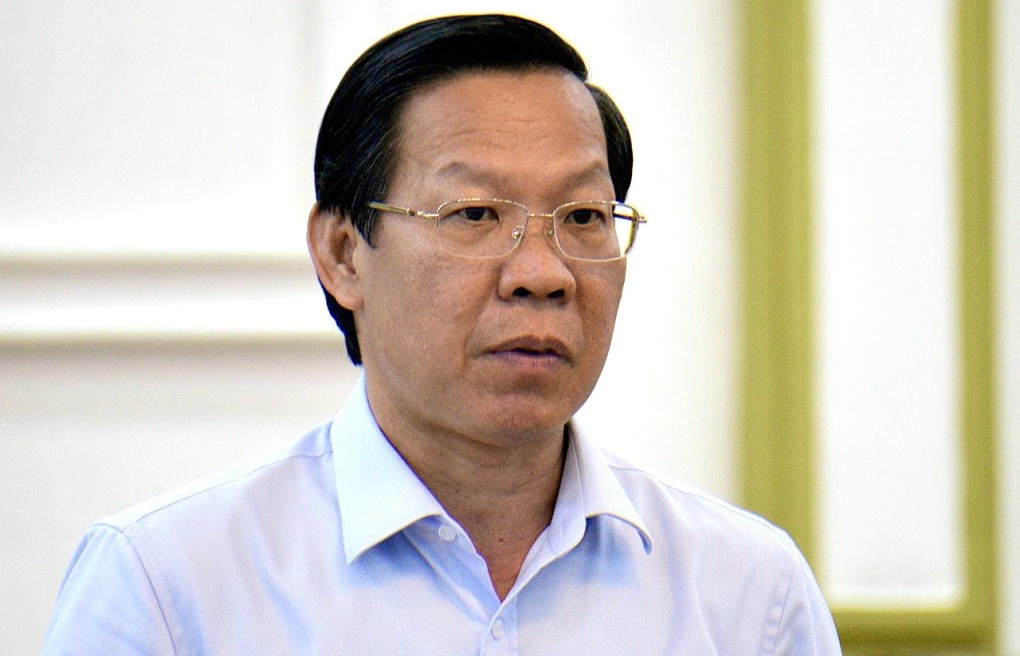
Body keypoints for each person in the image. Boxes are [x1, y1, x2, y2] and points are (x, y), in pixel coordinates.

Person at [42, 14, 841, 655]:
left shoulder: (746, 592)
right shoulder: (169, 583)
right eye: (475, 214)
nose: (543, 273)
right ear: (342, 254)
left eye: (584, 217)